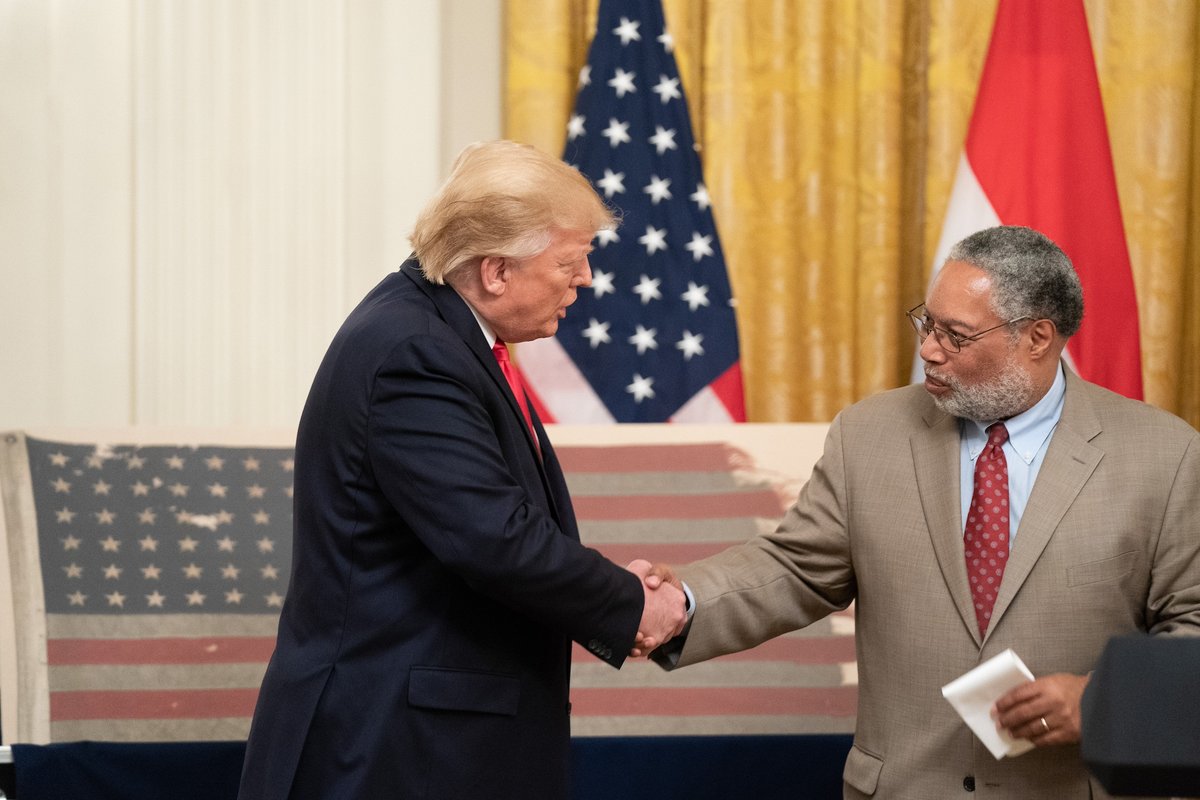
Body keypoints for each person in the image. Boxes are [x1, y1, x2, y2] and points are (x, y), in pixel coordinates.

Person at [637, 226, 1200, 799]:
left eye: (955, 335)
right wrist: (679, 605)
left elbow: (1194, 623)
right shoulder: (869, 433)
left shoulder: (1165, 453)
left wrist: (1103, 699)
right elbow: (799, 569)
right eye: (927, 323)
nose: (929, 350)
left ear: (1037, 338)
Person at [237, 140, 687, 800]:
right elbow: (495, 539)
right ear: (496, 270)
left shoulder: (437, 334)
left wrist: (616, 589)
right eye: (570, 260)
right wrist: (630, 603)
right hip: (388, 753)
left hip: (423, 745)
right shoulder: (414, 352)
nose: (585, 278)